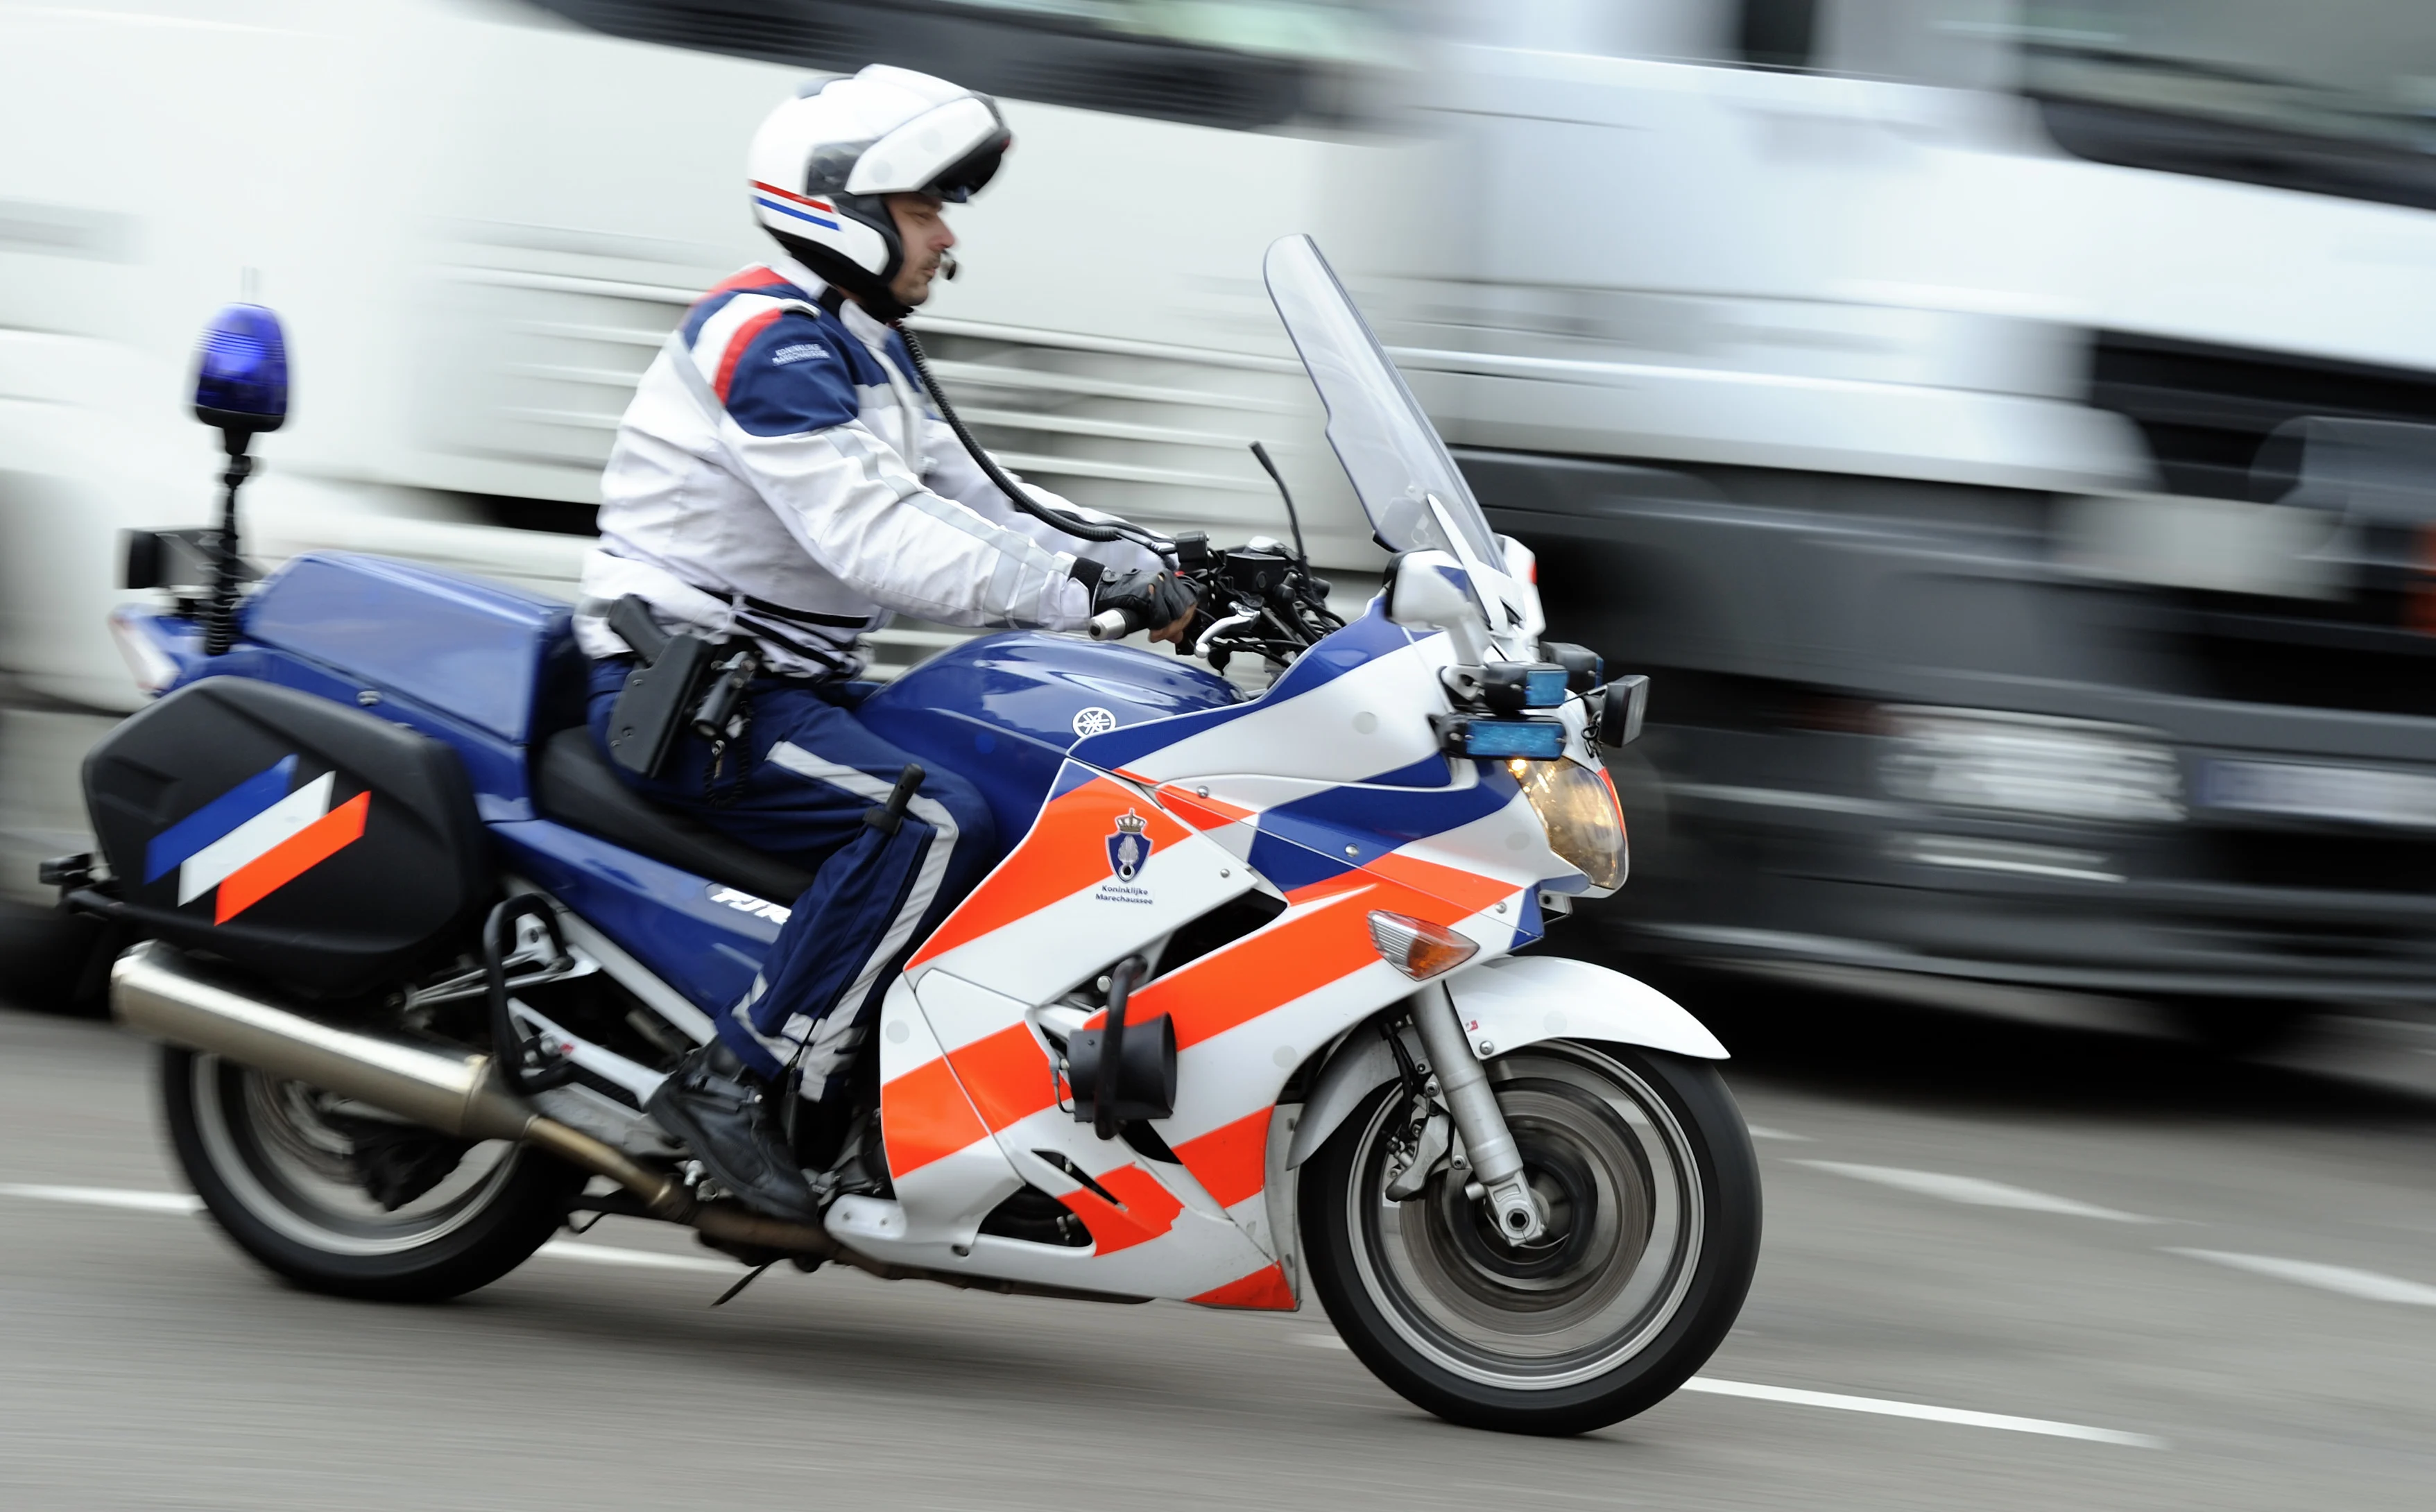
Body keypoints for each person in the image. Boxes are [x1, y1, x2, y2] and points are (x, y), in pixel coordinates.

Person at [572, 65, 1195, 1219]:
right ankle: (745, 1083)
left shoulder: (859, 343)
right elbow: (880, 540)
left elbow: (998, 503)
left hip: (785, 681)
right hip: (696, 690)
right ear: (842, 212)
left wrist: (1173, 556)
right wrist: (1078, 589)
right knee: (924, 820)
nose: (945, 238)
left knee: (1020, 792)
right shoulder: (772, 344)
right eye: (923, 212)